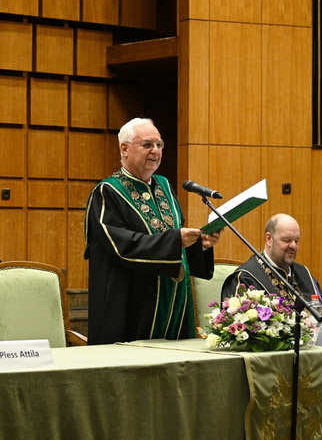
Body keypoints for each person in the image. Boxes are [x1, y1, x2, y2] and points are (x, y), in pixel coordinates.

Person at [84, 118, 221, 344]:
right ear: (124, 148)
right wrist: (175, 240)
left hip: (174, 300)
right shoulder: (108, 192)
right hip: (133, 303)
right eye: (147, 145)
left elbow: (174, 236)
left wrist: (200, 244)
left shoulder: (163, 186)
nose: (155, 151)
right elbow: (121, 246)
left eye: (159, 144)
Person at [221, 213, 322, 328]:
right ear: (269, 239)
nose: (293, 246)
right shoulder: (246, 277)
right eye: (287, 240)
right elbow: (237, 327)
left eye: (297, 240)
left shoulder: (303, 273)